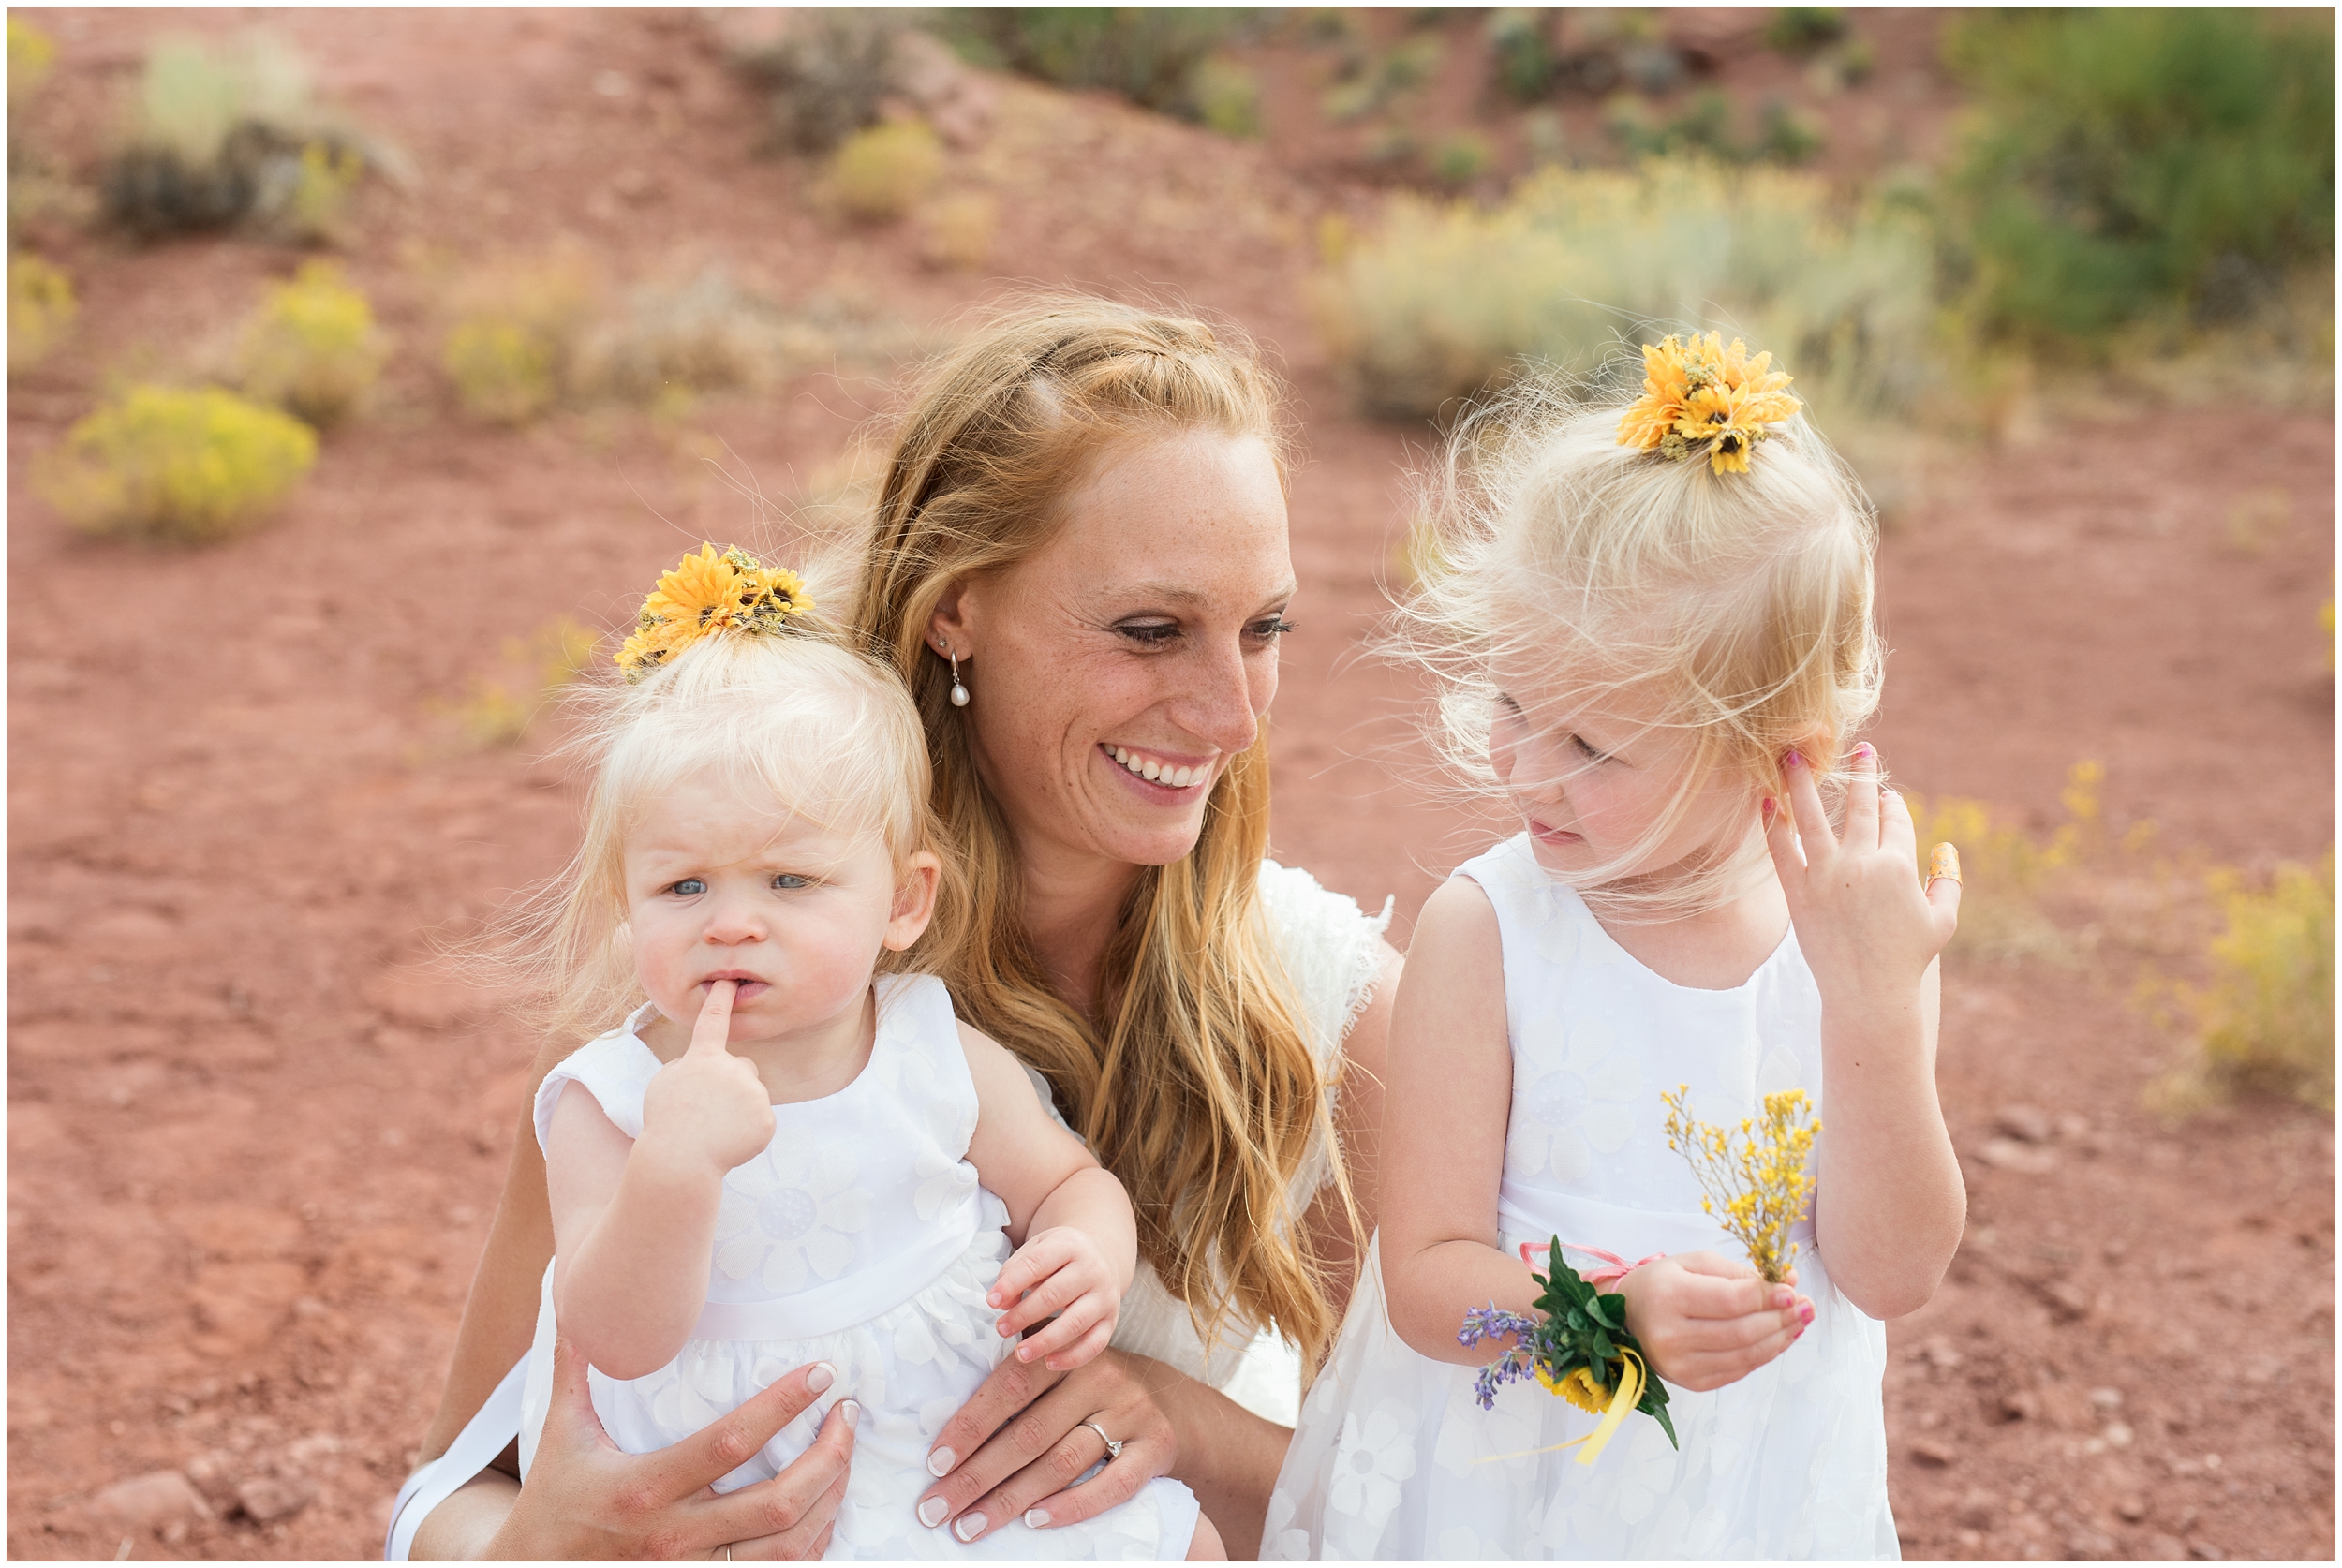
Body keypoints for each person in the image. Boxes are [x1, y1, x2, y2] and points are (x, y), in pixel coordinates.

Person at [391, 298, 1400, 1561]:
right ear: (954, 608)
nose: (1230, 715)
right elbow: (450, 1492)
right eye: (1151, 630)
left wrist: (1179, 1424)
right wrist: (543, 1543)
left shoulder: (1328, 1010)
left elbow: (1416, 1509)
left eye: (1263, 631)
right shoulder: (727, 1002)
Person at [1265, 335, 1965, 1560]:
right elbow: (1428, 1280)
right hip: (1512, 1483)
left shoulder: (1856, 942)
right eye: (1515, 707)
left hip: (1749, 1495)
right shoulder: (1491, 931)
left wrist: (1875, 1006)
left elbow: (1893, 1268)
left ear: (1778, 750)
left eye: (1592, 747)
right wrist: (1608, 1319)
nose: (1523, 765)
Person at [505, 544, 1221, 1558]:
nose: (733, 924)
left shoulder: (928, 1046)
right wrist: (675, 1166)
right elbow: (616, 1338)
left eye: (789, 882)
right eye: (684, 887)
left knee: (1182, 1550)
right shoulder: (611, 1101)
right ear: (626, 909)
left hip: (951, 1458)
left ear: (903, 902)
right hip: (765, 1500)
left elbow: (1065, 1181)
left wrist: (1087, 1253)